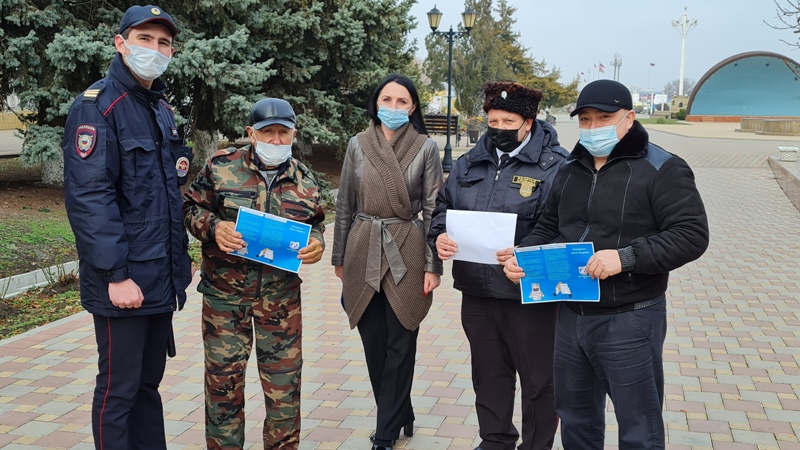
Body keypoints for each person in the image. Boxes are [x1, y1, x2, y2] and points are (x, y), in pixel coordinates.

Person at [503, 79, 710, 449]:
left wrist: (626, 258)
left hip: (630, 317)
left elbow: (691, 235)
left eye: (604, 118)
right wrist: (524, 256)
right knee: (575, 419)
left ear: (629, 118)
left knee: (638, 426)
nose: (593, 127)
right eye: (585, 119)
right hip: (571, 314)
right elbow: (550, 226)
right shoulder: (570, 168)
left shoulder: (662, 168)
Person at [62, 5, 192, 449]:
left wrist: (179, 262)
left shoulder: (160, 109)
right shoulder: (97, 106)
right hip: (123, 281)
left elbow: (166, 194)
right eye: (144, 39)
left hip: (158, 275)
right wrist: (116, 275)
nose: (155, 49)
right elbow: (90, 199)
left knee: (147, 386)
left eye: (163, 43)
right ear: (121, 43)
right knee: (118, 390)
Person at [428, 81, 569, 450]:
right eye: (493, 121)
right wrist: (439, 236)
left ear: (528, 123)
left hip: (529, 294)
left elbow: (564, 226)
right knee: (488, 374)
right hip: (477, 291)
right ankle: (495, 441)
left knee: (539, 380)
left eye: (508, 122)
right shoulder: (468, 162)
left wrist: (527, 252)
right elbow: (443, 209)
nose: (499, 129)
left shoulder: (557, 166)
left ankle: (536, 445)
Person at [183, 98, 325, 449]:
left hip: (281, 302)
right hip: (224, 301)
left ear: (293, 134)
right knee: (223, 389)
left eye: (283, 133)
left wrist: (317, 245)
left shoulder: (305, 180)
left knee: (284, 391)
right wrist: (214, 227)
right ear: (251, 133)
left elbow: (316, 225)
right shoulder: (221, 166)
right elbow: (190, 208)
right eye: (267, 132)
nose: (276, 140)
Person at [331, 73, 444, 450]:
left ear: (412, 108)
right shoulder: (358, 144)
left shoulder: (426, 147)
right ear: (376, 103)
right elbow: (344, 204)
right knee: (374, 341)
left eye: (402, 101)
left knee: (401, 340)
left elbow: (433, 209)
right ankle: (400, 411)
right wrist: (339, 256)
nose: (393, 107)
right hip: (362, 246)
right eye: (387, 100)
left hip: (407, 249)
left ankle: (385, 433)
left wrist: (433, 265)